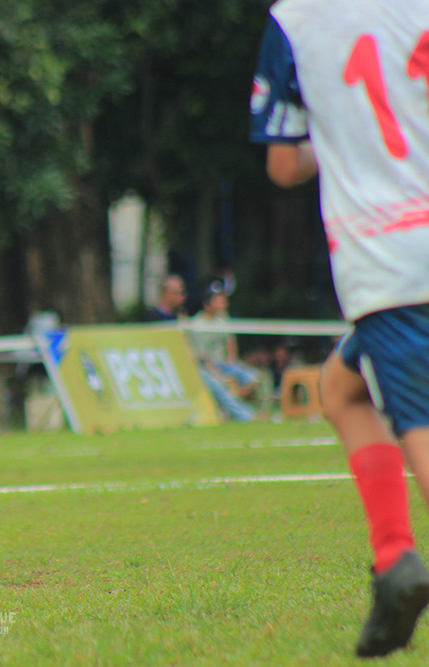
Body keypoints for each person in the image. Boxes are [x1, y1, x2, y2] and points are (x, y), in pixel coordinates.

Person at [251, 0, 429, 657]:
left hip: (390, 262)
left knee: (421, 430)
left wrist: (340, 137)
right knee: (341, 389)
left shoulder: (293, 23)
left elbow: (284, 165)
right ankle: (394, 557)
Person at [186, 282, 258, 422]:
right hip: (205, 368)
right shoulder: (197, 325)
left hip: (223, 363)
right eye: (218, 300)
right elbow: (202, 359)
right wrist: (221, 376)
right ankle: (247, 416)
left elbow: (230, 343)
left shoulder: (223, 318)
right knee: (220, 386)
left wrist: (232, 363)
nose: (223, 302)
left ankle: (236, 401)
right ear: (207, 304)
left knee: (252, 377)